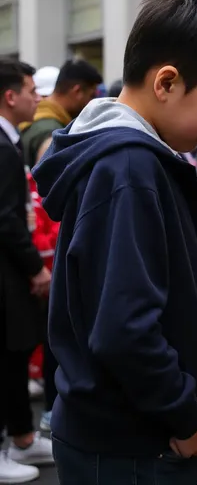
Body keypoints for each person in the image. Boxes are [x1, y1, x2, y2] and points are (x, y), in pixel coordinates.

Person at [33, 0, 197, 485]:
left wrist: (195, 383)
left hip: (125, 434)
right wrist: (181, 410)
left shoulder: (130, 159)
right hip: (131, 445)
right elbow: (124, 327)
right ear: (167, 82)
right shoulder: (131, 168)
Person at [0, 59, 54, 484]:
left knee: (16, 352)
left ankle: (21, 437)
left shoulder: (10, 140)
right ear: (10, 96)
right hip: (8, 270)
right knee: (7, 355)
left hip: (12, 270)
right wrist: (35, 268)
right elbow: (6, 219)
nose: (38, 98)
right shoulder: (1, 146)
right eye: (31, 90)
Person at [26, 137, 59, 433]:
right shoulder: (35, 194)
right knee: (51, 346)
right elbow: (40, 238)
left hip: (54, 279)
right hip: (45, 280)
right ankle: (51, 409)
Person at [21, 59, 102, 168]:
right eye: (92, 95)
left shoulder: (37, 116)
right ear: (77, 91)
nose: (92, 102)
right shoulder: (52, 131)